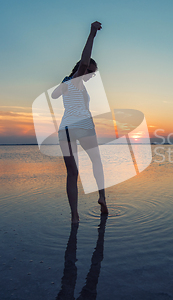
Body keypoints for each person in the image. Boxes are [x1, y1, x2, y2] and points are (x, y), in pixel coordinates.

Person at [52, 21, 108, 223]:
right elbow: (83, 62)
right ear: (82, 69)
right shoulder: (75, 78)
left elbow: (55, 96)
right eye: (91, 72)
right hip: (82, 127)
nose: (92, 75)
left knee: (72, 173)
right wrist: (92, 34)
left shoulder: (68, 82)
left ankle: (74, 216)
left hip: (64, 130)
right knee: (97, 162)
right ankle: (101, 197)